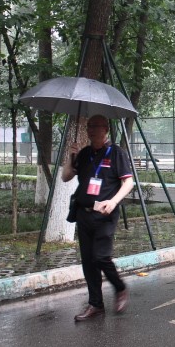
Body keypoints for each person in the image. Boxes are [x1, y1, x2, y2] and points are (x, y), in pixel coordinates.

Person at [62, 115, 134, 321]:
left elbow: (128, 183)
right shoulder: (84, 153)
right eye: (89, 126)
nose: (91, 130)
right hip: (84, 214)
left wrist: (114, 201)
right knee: (88, 261)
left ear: (106, 129)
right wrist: (71, 157)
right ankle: (96, 304)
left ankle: (120, 288)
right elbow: (66, 177)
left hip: (105, 215)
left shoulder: (116, 153)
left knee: (100, 257)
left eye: (95, 126)